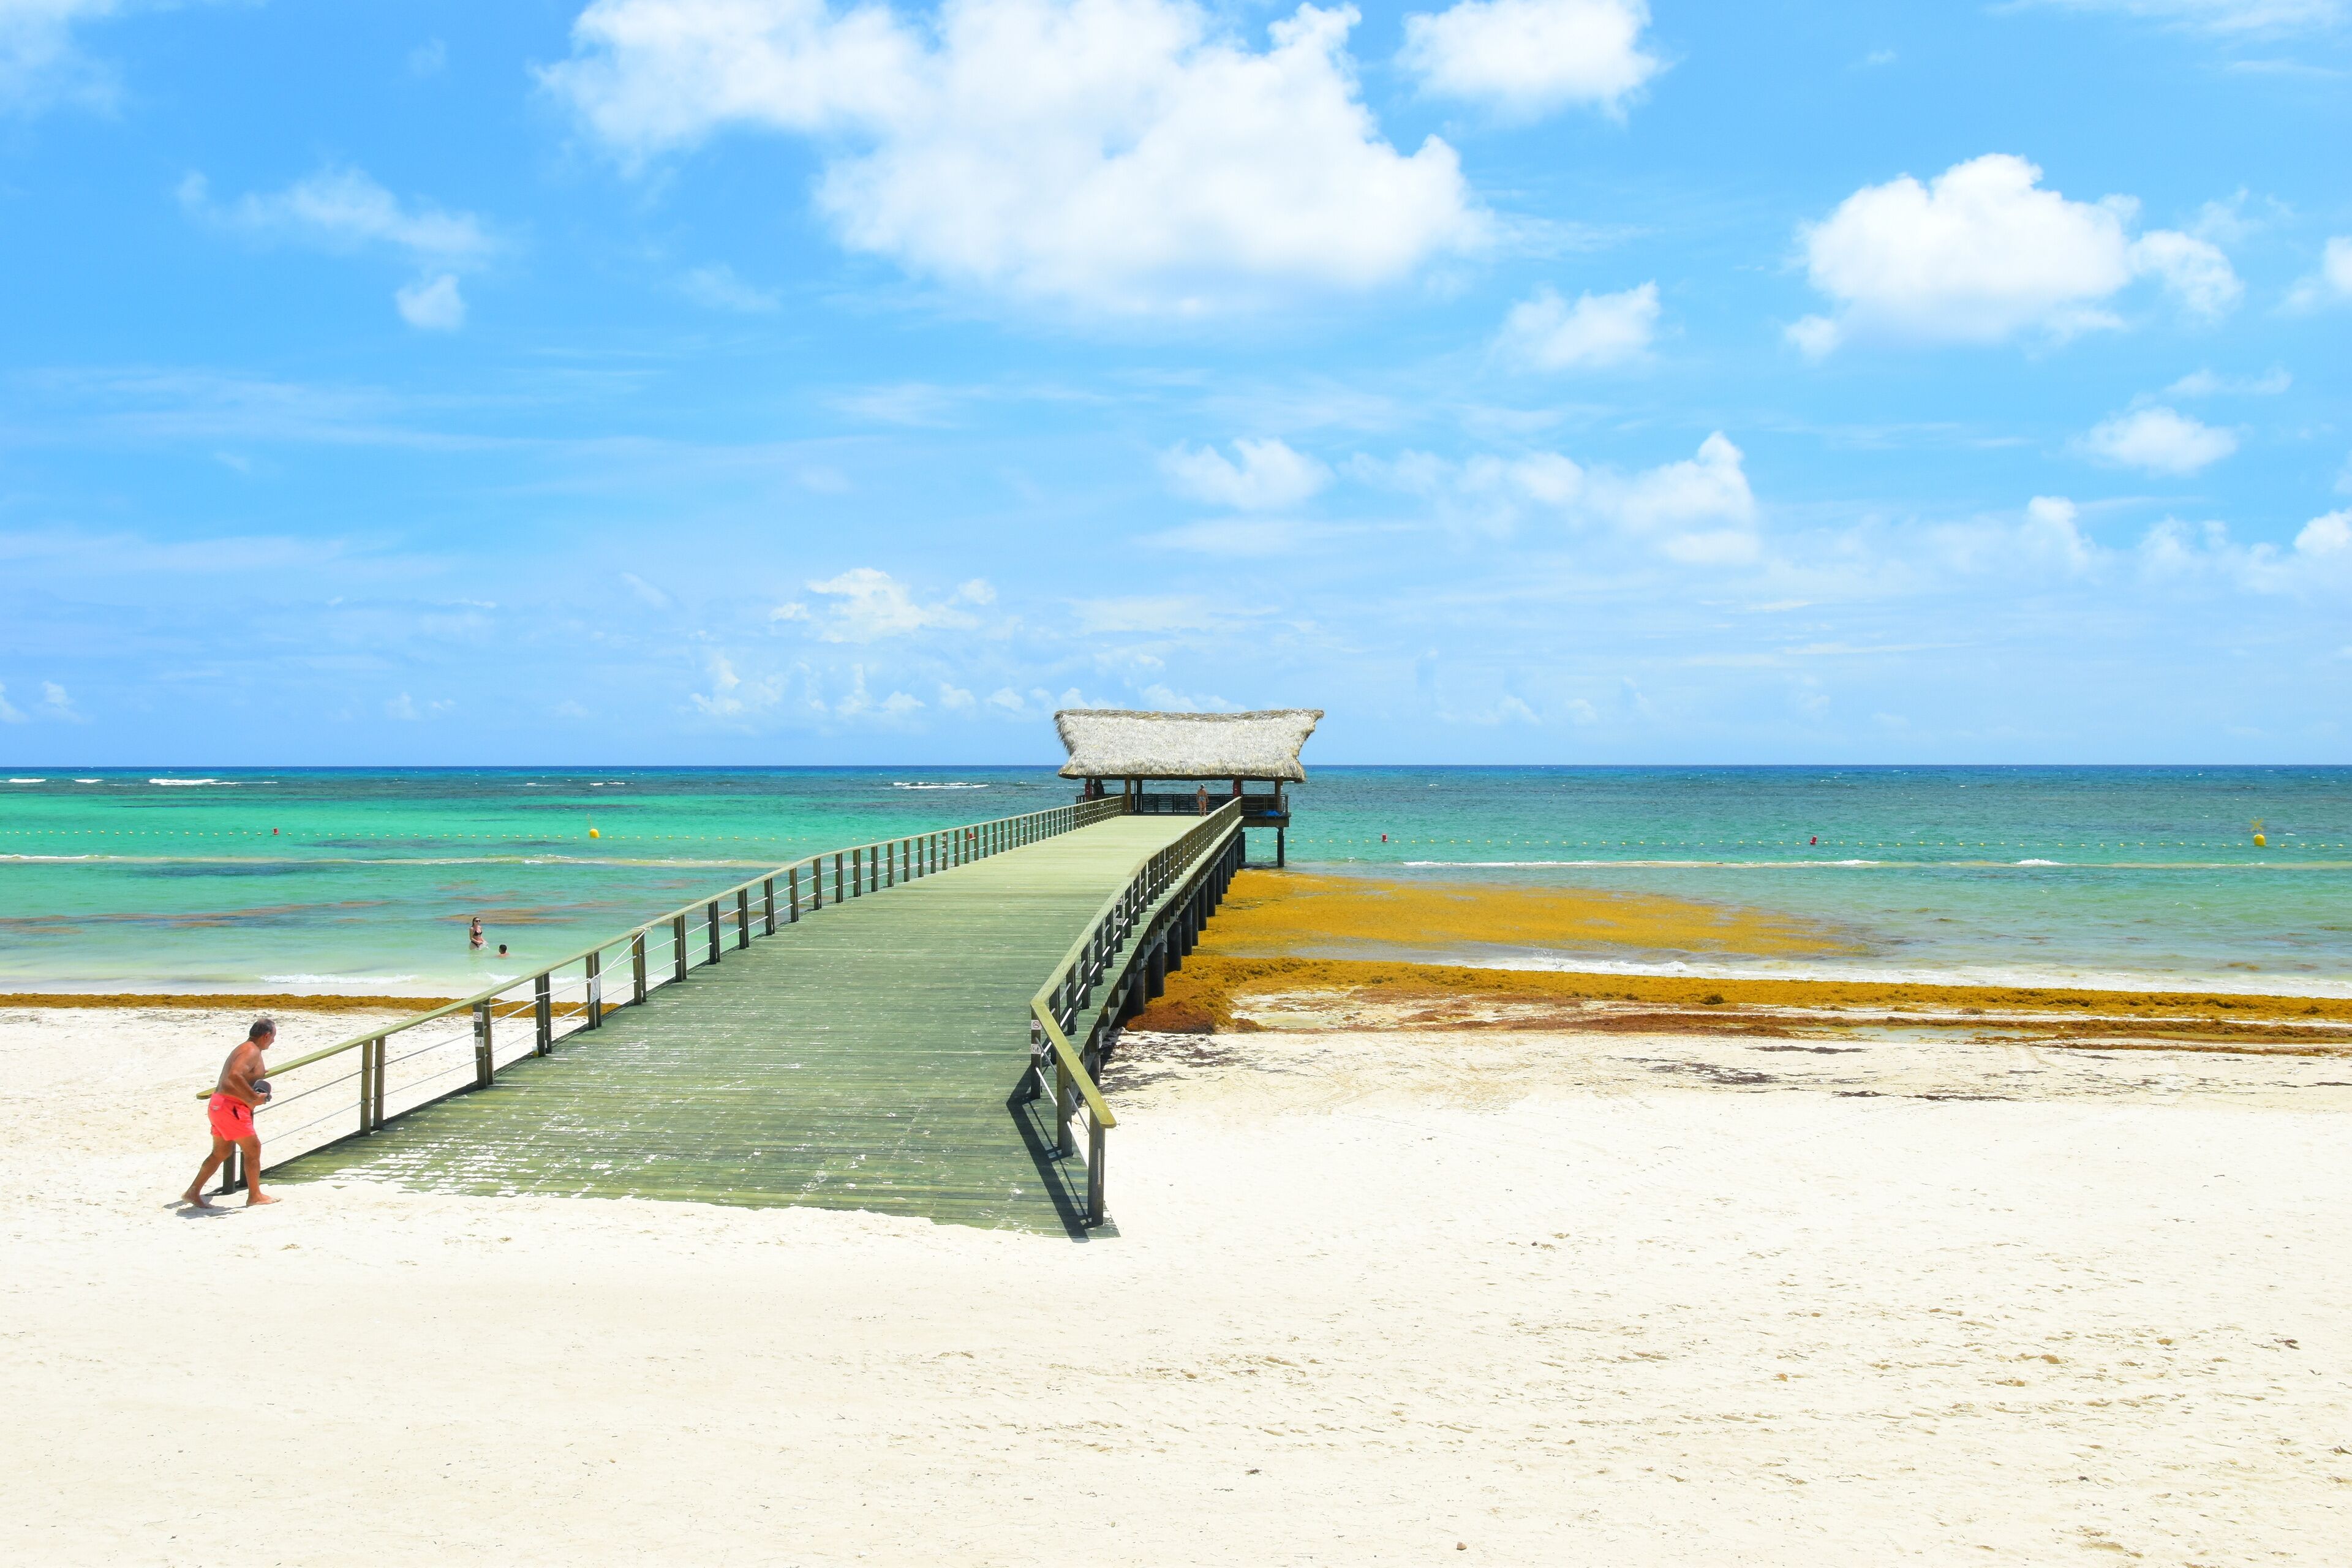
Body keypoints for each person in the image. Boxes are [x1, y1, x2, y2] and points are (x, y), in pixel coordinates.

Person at [181, 1018, 277, 1208]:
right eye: (273, 1037)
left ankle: (193, 1191)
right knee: (253, 1149)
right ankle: (255, 1196)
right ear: (266, 1036)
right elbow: (234, 1075)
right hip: (231, 1108)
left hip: (219, 1104)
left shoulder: (246, 1048)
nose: (274, 1041)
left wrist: (259, 1074)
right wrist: (253, 1098)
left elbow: (241, 1072)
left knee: (221, 1152)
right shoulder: (251, 1051)